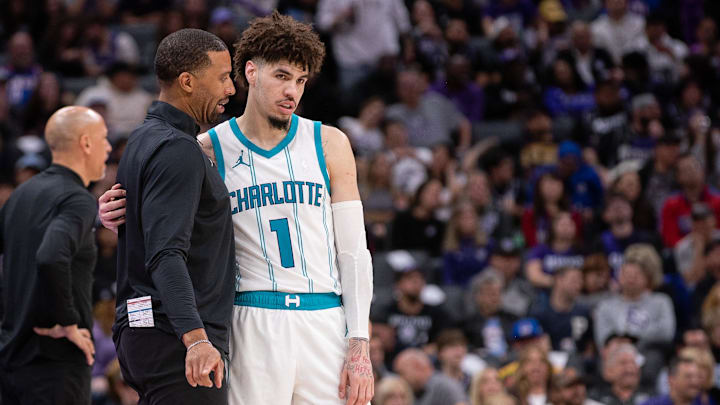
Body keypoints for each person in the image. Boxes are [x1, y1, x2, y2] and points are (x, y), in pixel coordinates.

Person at [100, 13, 374, 405]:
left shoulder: (329, 143)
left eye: (300, 81)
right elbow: (164, 215)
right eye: (282, 76)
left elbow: (353, 251)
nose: (292, 92)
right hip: (250, 319)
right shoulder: (204, 147)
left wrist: (359, 341)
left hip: (323, 317)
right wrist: (112, 211)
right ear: (251, 72)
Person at [107, 29, 237, 404]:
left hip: (147, 330)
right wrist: (196, 338)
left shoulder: (142, 138)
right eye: (223, 77)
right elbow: (165, 253)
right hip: (175, 341)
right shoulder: (177, 150)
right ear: (188, 81)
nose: (230, 89)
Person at [0, 106, 111, 404]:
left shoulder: (19, 196)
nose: (109, 147)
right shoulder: (78, 199)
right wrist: (68, 322)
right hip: (56, 365)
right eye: (104, 138)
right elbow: (50, 256)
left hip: (12, 357)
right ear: (86, 143)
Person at [393, 348, 468, 405]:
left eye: (401, 373)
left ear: (416, 366)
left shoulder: (444, 387)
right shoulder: (412, 390)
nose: (400, 379)